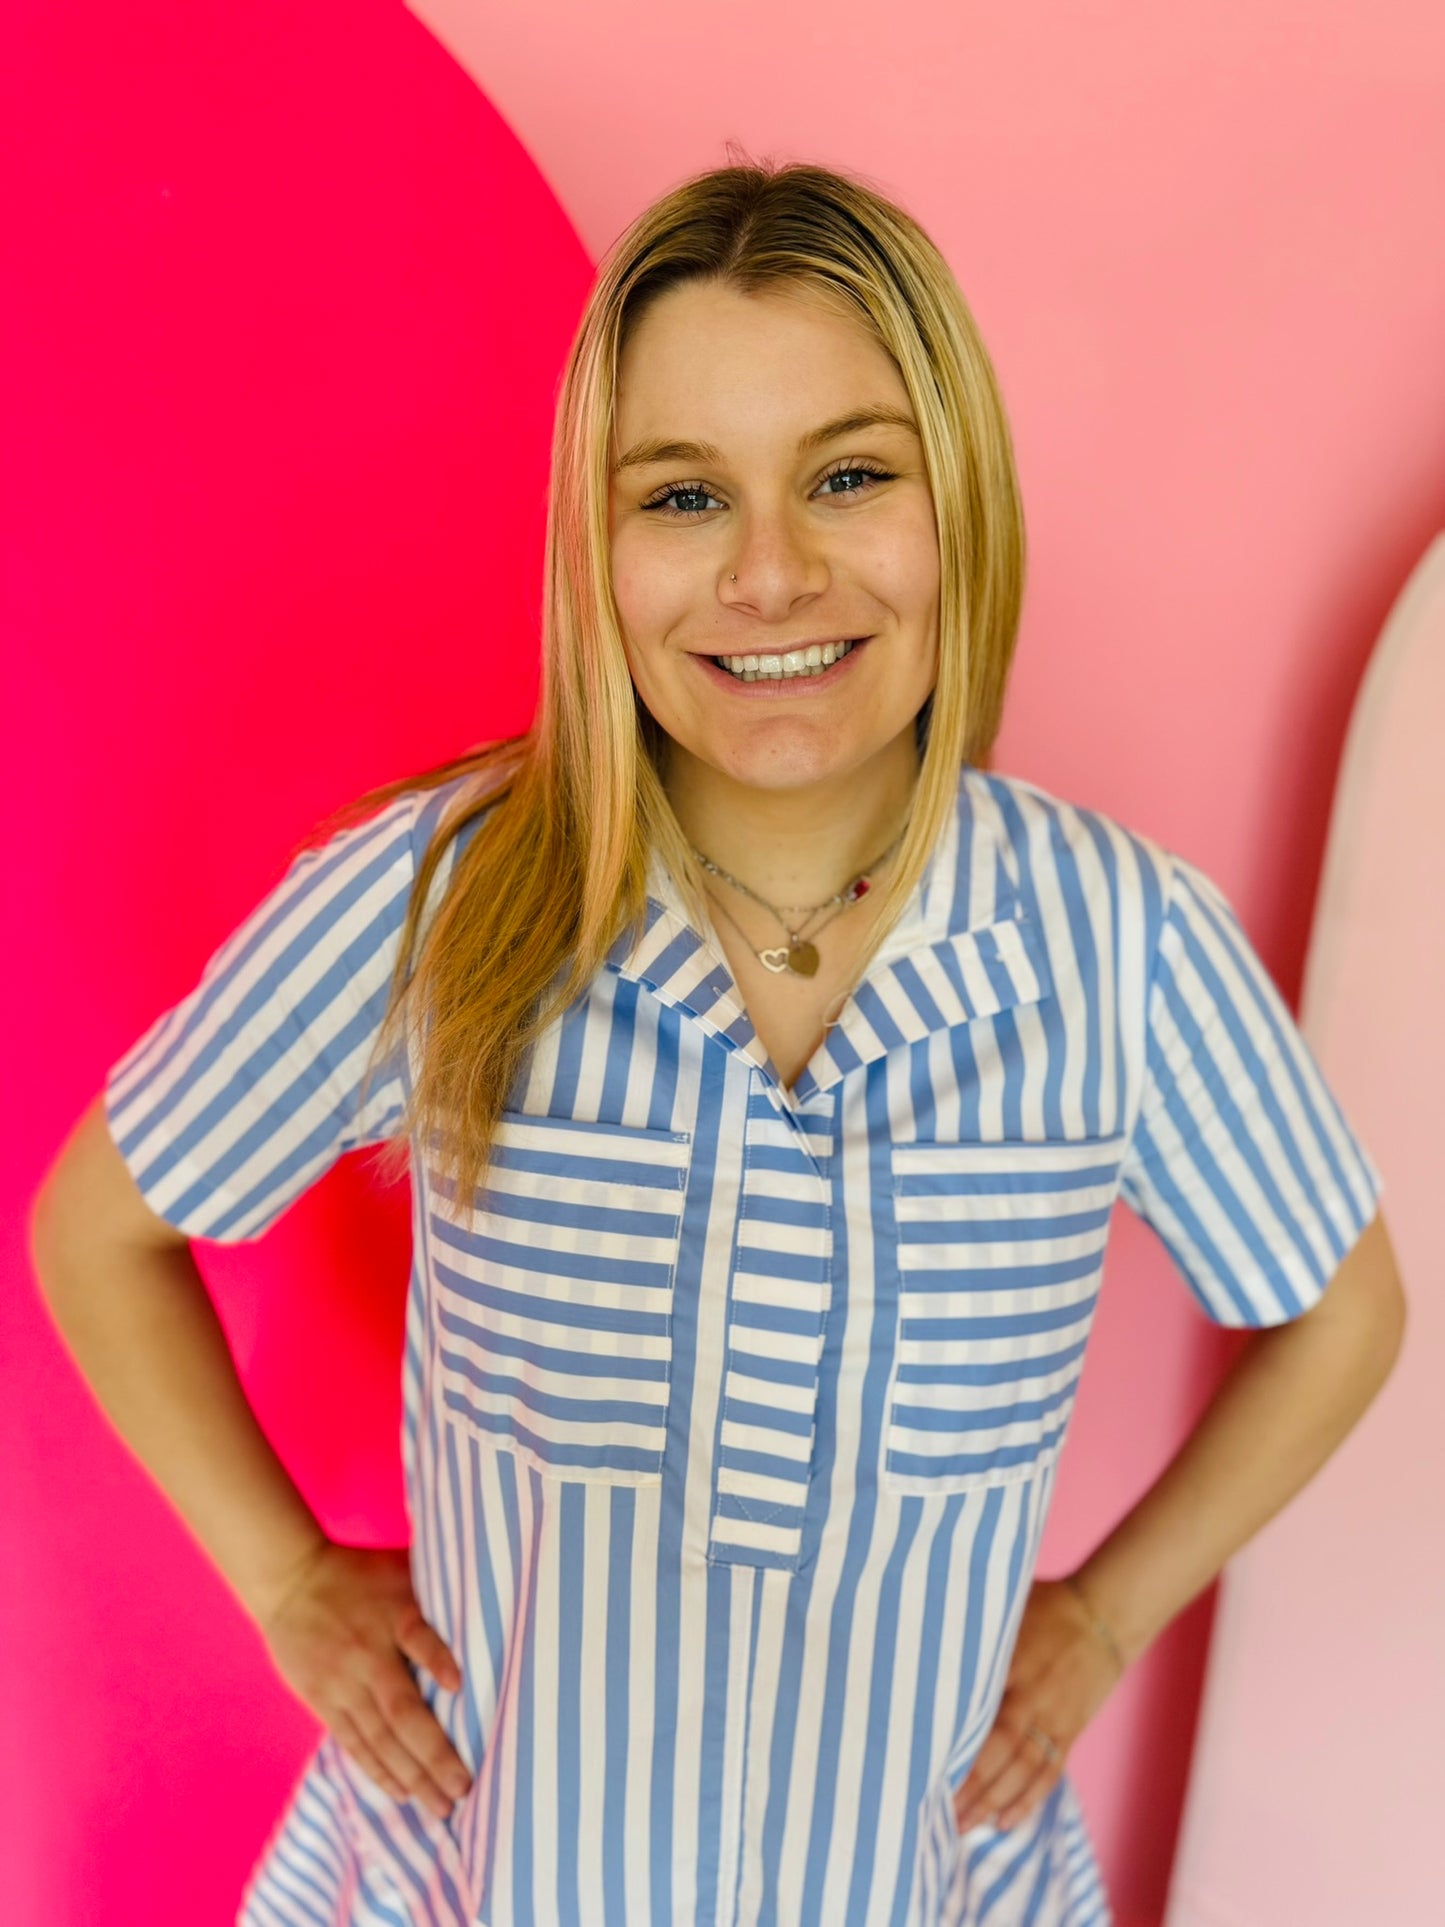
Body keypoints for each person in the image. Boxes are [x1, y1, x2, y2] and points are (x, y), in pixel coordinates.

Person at [31, 159, 1405, 1927]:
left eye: (847, 475)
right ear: (593, 547)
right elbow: (99, 1229)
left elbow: (1341, 1311)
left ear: (956, 504)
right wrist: (287, 1580)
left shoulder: (1120, 948)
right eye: (683, 494)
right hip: (477, 1882)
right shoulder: (442, 901)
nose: (771, 574)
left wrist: (1102, 1616)